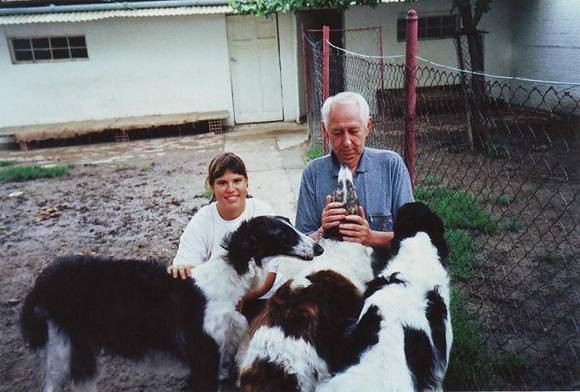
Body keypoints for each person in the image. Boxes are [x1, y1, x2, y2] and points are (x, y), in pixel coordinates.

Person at [167, 152, 281, 320]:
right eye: (222, 183)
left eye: (237, 181)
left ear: (246, 182)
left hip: (262, 298)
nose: (231, 189)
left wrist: (240, 297)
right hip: (219, 300)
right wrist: (181, 271)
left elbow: (269, 277)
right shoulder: (203, 219)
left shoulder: (263, 215)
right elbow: (188, 267)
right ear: (212, 186)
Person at [296, 91, 414, 248]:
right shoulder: (313, 173)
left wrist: (372, 238)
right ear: (325, 131)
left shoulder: (391, 166)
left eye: (353, 131)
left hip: (383, 267)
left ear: (368, 126)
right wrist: (322, 231)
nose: (347, 142)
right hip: (333, 269)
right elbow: (300, 244)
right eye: (337, 133)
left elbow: (413, 237)